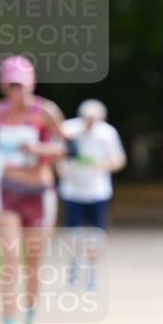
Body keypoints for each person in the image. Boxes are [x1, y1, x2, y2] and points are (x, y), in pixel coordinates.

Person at [0, 56, 65, 324]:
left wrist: (38, 151)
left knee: (33, 265)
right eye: (12, 85)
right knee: (9, 263)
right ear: (5, 86)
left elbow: (62, 148)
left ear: (32, 83)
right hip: (7, 191)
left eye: (23, 84)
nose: (18, 92)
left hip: (39, 192)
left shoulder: (46, 112)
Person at [58, 99, 127, 287]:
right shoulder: (68, 130)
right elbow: (57, 154)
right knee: (74, 234)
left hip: (98, 191)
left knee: (96, 235)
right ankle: (74, 263)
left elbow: (119, 159)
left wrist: (104, 166)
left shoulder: (107, 133)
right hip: (73, 190)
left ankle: (91, 272)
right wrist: (60, 167)